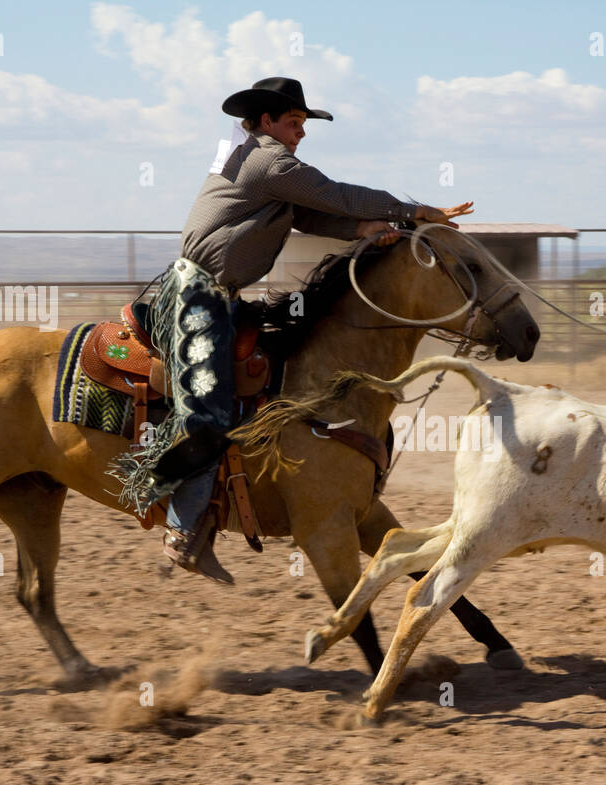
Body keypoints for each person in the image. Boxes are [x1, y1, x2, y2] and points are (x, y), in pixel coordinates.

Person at [150, 77, 473, 582]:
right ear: (264, 122)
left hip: (220, 296)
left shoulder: (266, 170)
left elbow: (311, 213)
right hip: (199, 299)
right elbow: (329, 194)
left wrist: (365, 231)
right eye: (293, 122)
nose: (300, 133)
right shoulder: (267, 160)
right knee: (208, 408)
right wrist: (408, 210)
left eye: (303, 124)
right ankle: (183, 530)